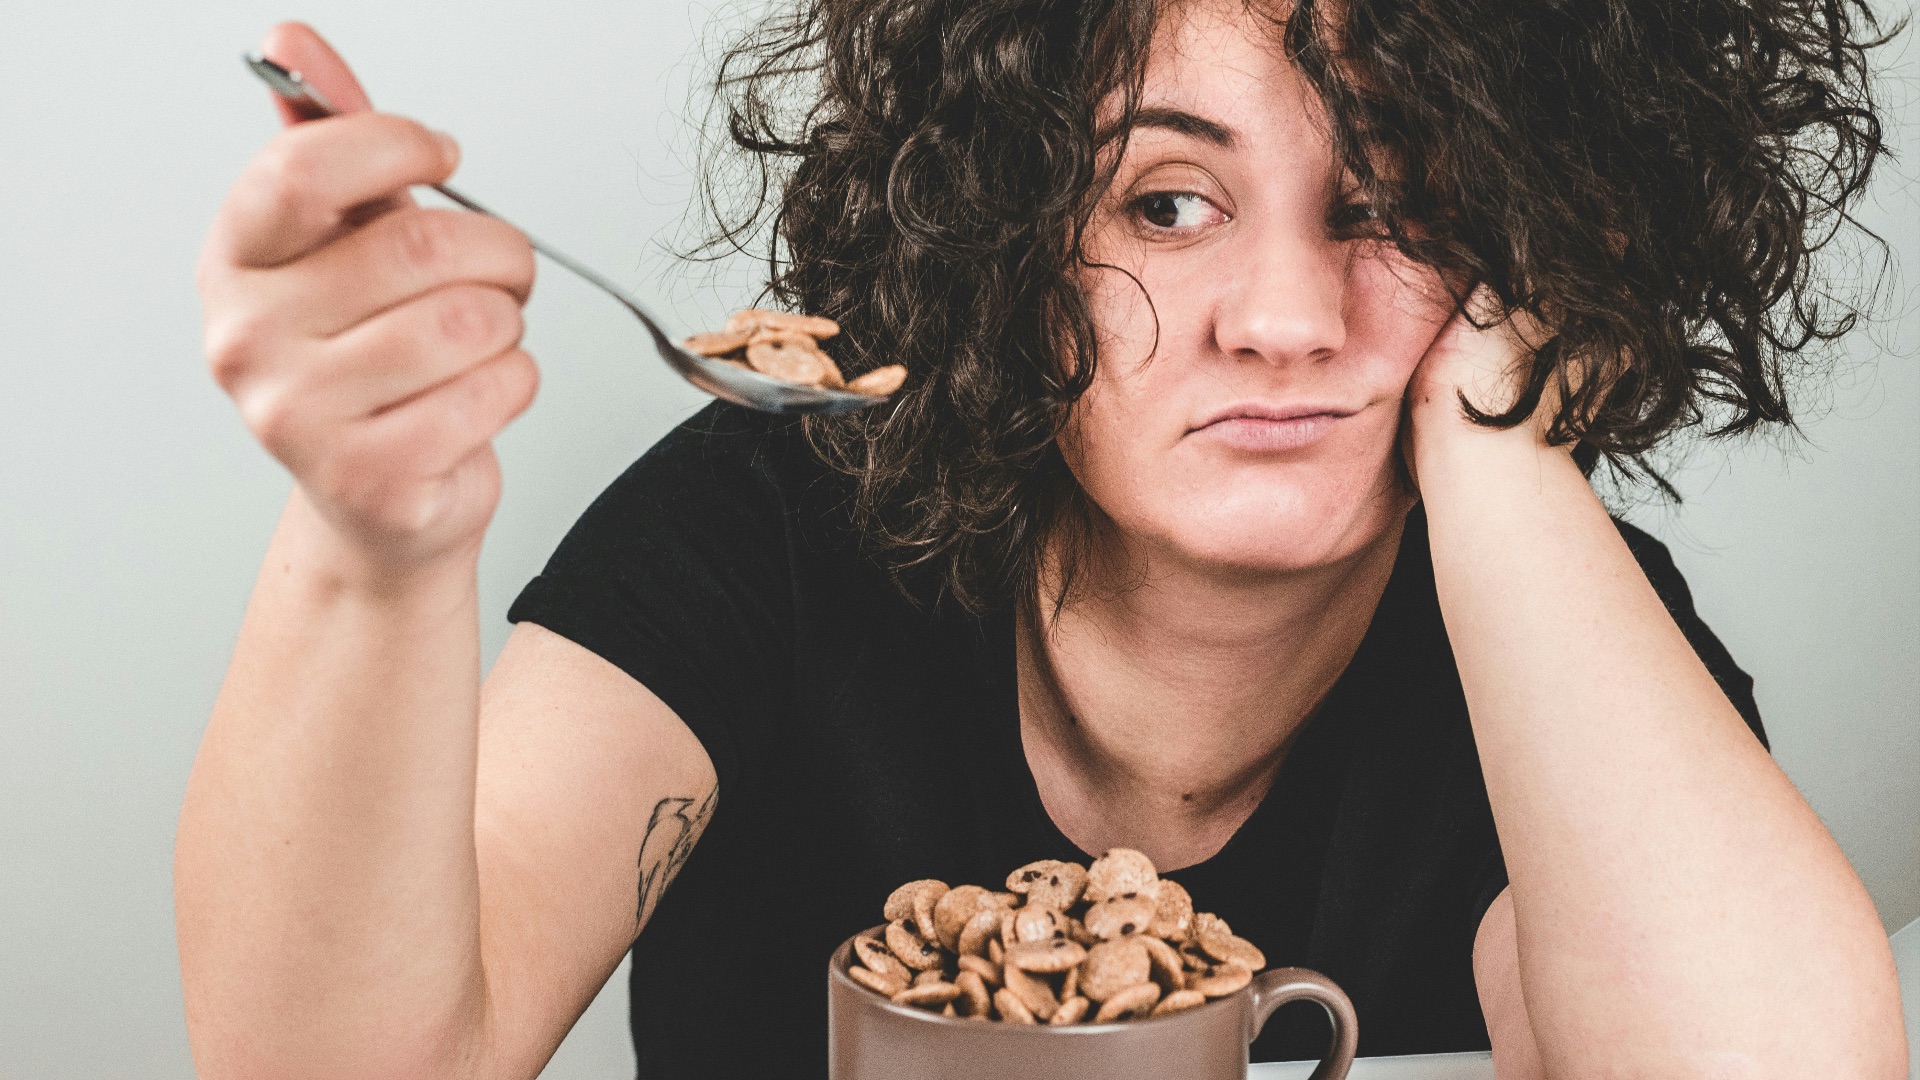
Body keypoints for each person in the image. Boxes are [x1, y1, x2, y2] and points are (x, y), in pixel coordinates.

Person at [176, 1, 1909, 1077]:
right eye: (1168, 201)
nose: (1286, 319)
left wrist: (1511, 447)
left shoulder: (1557, 635)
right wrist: (370, 547)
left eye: (1392, 207)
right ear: (1004, 231)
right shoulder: (768, 526)